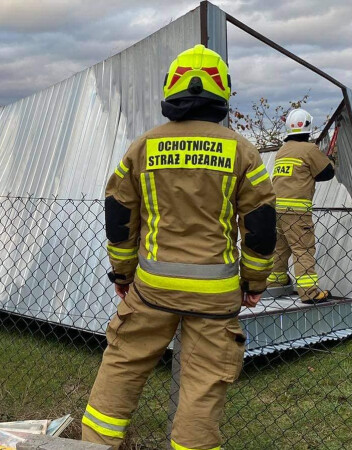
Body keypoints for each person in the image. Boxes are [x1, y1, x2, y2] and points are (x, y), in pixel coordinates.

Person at [81, 44, 276, 450]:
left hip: (151, 289)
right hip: (216, 296)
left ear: (171, 89)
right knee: (203, 386)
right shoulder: (243, 151)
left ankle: (94, 445)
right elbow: (258, 227)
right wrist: (254, 282)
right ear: (222, 93)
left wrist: (122, 273)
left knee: (122, 367)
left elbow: (119, 217)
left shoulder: (144, 146)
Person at [267, 108, 335, 304]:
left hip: (277, 209)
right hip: (297, 212)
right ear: (308, 126)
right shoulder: (309, 149)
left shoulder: (283, 151)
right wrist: (329, 160)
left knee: (280, 248)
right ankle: (309, 292)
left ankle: (276, 282)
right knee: (302, 249)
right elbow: (326, 173)